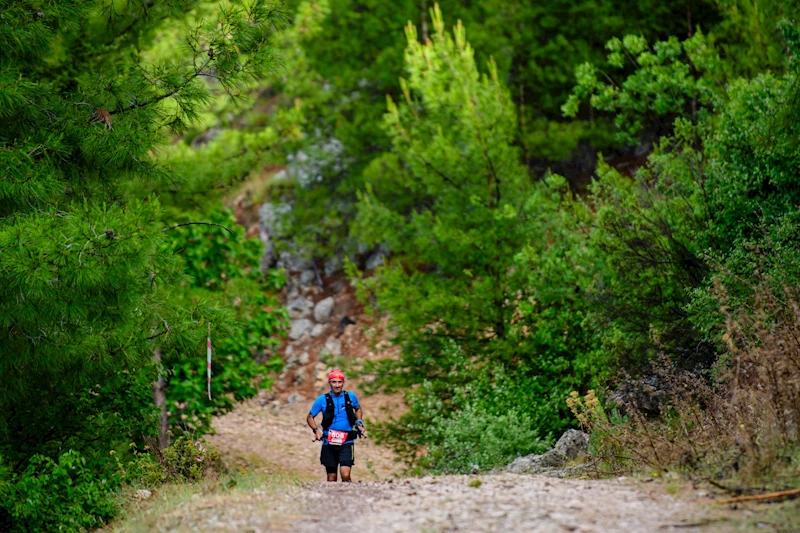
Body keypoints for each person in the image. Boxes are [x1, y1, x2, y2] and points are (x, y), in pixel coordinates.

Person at [306, 369, 366, 482]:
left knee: (345, 474)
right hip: (329, 442)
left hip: (346, 442)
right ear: (329, 383)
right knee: (331, 478)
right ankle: (333, 499)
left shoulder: (351, 397)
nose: (337, 385)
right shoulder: (322, 399)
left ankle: (350, 494)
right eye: (334, 382)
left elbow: (358, 408)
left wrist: (359, 422)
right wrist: (316, 430)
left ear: (343, 383)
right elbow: (310, 417)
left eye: (339, 382)